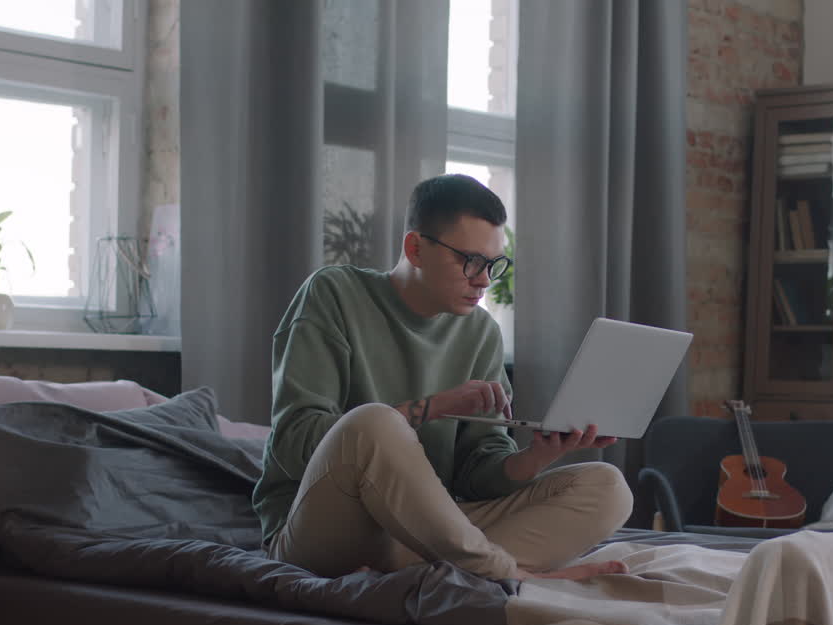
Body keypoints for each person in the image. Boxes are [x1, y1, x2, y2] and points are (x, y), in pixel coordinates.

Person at [252, 174, 633, 581]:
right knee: (374, 423)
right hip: (326, 528)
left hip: (422, 534)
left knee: (607, 488)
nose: (484, 280)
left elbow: (476, 477)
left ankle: (427, 568)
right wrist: (434, 407)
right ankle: (514, 574)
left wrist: (537, 457)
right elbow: (293, 442)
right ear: (415, 248)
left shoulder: (481, 333)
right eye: (470, 261)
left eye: (493, 265)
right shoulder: (333, 294)